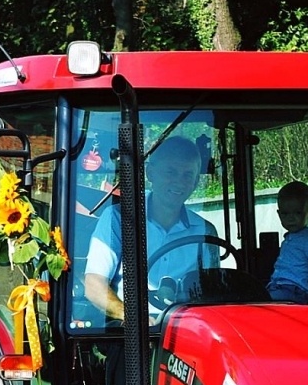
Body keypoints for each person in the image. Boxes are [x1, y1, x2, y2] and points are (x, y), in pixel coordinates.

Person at [83, 136, 221, 321]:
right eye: (170, 172)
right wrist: (134, 319)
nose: (179, 182)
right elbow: (94, 285)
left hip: (187, 331)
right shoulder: (119, 218)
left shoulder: (205, 231)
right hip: (128, 334)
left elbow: (211, 294)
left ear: (196, 182)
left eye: (187, 175)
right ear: (150, 173)